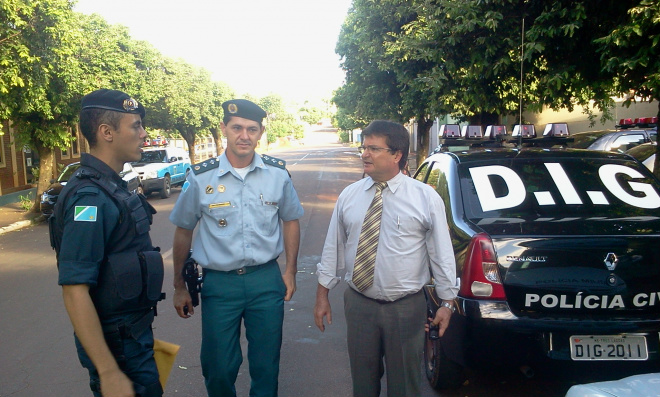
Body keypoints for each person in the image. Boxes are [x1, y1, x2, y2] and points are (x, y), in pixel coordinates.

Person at [170, 99, 304, 397]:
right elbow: (183, 231)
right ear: (224, 129)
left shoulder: (277, 174)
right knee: (218, 367)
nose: (244, 135)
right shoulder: (200, 177)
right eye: (237, 128)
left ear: (260, 133)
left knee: (266, 366)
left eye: (252, 129)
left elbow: (291, 220)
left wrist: (290, 271)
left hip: (265, 280)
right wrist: (179, 285)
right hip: (221, 283)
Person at [314, 120, 458, 397]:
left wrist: (447, 302)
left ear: (396, 155)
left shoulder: (424, 197)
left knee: (405, 386)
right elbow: (333, 247)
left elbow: (441, 254)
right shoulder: (350, 195)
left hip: (405, 308)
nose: (364, 154)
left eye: (374, 148)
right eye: (364, 147)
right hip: (359, 305)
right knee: (363, 384)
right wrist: (322, 296)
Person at [52, 89, 164, 397]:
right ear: (106, 132)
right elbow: (75, 290)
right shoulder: (88, 198)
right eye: (136, 125)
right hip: (119, 350)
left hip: (132, 340)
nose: (144, 134)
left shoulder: (111, 186)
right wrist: (109, 371)